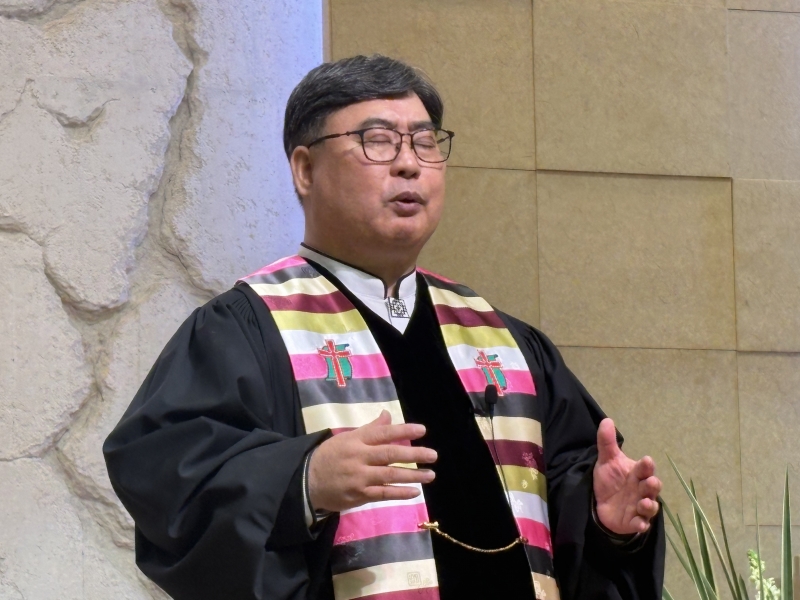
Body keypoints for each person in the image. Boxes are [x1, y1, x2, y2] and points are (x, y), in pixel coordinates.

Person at [104, 54, 665, 600]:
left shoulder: (504, 340)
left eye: (425, 142)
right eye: (377, 141)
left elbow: (568, 488)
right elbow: (170, 479)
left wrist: (604, 520)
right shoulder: (247, 330)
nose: (409, 164)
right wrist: (305, 480)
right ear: (305, 169)